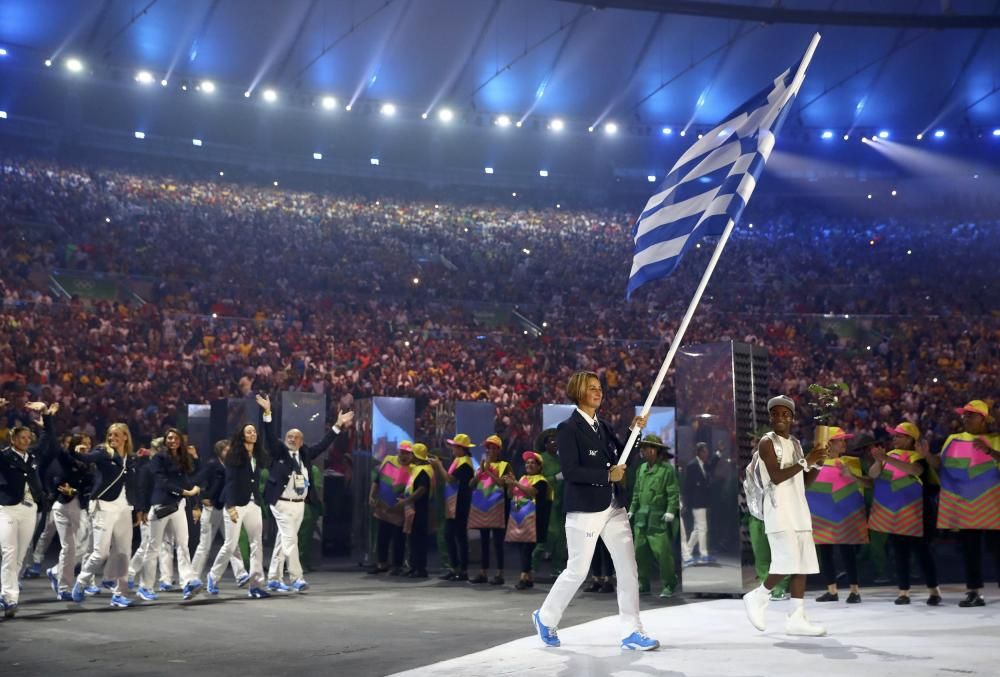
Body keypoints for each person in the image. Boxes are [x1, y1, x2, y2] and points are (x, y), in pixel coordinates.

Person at [532, 370, 658, 651]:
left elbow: (622, 455)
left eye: (599, 387)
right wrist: (606, 476)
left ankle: (631, 632)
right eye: (591, 388)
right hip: (585, 509)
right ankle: (546, 617)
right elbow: (571, 470)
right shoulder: (568, 428)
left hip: (614, 506)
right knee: (577, 570)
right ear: (578, 391)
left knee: (628, 569)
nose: (598, 392)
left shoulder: (603, 426)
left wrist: (634, 432)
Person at [742, 395, 828, 636]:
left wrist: (818, 463)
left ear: (792, 417)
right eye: (775, 414)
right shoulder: (766, 443)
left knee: (802, 564)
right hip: (778, 510)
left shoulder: (797, 444)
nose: (780, 418)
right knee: (787, 560)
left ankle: (796, 617)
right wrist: (806, 460)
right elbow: (777, 477)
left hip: (799, 509)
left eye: (785, 414)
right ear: (770, 417)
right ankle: (758, 595)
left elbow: (805, 481)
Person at [259, 394, 352, 593]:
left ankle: (274, 578)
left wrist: (337, 425)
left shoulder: (305, 454)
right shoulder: (279, 452)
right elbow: (268, 435)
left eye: (296, 437)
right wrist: (267, 413)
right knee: (291, 540)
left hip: (299, 503)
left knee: (282, 540)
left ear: (301, 441)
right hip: (281, 502)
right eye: (289, 437)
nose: (292, 439)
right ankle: (296, 578)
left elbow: (324, 444)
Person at [933, 399, 1000, 607]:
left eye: (970, 414)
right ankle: (974, 593)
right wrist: (927, 455)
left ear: (983, 418)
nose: (965, 417)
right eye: (964, 414)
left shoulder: (996, 439)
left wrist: (989, 451)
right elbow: (940, 464)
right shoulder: (953, 439)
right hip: (965, 507)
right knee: (970, 552)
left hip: (992, 505)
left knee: (998, 551)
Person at [868, 421, 941, 605]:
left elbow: (914, 470)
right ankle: (903, 592)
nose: (895, 439)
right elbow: (873, 475)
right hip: (895, 512)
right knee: (899, 553)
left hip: (918, 512)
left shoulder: (918, 456)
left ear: (910, 439)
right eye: (894, 436)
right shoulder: (889, 456)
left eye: (899, 436)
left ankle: (934, 591)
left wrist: (886, 459)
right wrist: (878, 461)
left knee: (923, 553)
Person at [71, 422, 142, 609]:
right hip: (103, 505)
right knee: (100, 553)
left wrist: (138, 509)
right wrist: (77, 451)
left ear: (125, 437)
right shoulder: (103, 452)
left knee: (124, 553)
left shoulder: (130, 458)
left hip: (124, 507)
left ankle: (120, 594)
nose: (112, 438)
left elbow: (133, 486)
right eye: (110, 435)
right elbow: (87, 458)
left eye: (117, 435)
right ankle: (82, 580)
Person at [0, 402, 54, 617]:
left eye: (28, 438)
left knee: (20, 556)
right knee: (9, 553)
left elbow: (49, 441)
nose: (26, 440)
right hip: (7, 508)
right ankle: (10, 598)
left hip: (30, 509)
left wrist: (47, 417)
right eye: (21, 437)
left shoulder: (32, 457)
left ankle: (6, 592)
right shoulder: (4, 456)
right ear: (12, 439)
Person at [206, 418, 270, 599]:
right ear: (241, 435)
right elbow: (231, 481)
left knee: (257, 543)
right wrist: (231, 506)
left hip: (253, 503)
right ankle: (213, 576)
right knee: (231, 544)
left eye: (254, 431)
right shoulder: (234, 455)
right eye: (249, 431)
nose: (253, 434)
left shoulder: (258, 455)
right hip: (236, 504)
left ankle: (256, 585)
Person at [137, 428, 203, 602]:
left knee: (183, 544)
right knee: (153, 548)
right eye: (169, 438)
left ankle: (187, 581)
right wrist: (184, 491)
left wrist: (193, 493)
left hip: (178, 505)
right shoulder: (159, 458)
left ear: (180, 440)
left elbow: (194, 477)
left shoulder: (182, 458)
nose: (173, 440)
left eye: (175, 438)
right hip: (162, 505)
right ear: (165, 441)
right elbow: (161, 482)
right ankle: (145, 586)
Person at [806, 426, 870, 603]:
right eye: (840, 440)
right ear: (829, 443)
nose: (844, 443)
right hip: (822, 516)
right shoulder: (814, 465)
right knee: (825, 552)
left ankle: (854, 591)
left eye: (844, 439)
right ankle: (831, 590)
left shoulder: (852, 463)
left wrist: (852, 476)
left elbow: (869, 484)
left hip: (846, 516)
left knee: (847, 552)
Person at [190, 440, 249, 586]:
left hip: (227, 508)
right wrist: (200, 500)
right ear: (219, 452)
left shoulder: (234, 467)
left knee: (232, 543)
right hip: (212, 509)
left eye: (230, 449)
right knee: (205, 545)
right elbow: (196, 481)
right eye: (225, 450)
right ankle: (192, 577)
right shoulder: (212, 466)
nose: (228, 452)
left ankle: (241, 574)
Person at [629, 434, 680, 598]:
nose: (643, 451)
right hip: (641, 518)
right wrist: (631, 509)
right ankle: (643, 584)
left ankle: (669, 584)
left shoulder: (666, 470)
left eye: (646, 448)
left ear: (655, 450)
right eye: (642, 448)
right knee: (639, 553)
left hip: (658, 518)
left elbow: (673, 493)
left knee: (663, 554)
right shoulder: (641, 469)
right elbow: (636, 493)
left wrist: (671, 510)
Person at [45, 431, 93, 600]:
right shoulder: (65, 458)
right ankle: (64, 588)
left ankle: (56, 571)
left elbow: (90, 485)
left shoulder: (89, 462)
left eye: (88, 443)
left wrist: (77, 490)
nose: (86, 446)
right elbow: (58, 481)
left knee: (86, 547)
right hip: (64, 506)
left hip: (81, 507)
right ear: (74, 444)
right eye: (83, 442)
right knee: (69, 547)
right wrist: (48, 420)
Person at [430, 433, 476, 581]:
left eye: (455, 447)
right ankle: (455, 567)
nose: (452, 450)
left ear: (461, 449)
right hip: (453, 504)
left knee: (459, 536)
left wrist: (438, 466)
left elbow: (449, 479)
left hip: (460, 504)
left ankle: (462, 569)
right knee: (450, 535)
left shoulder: (464, 464)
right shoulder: (459, 461)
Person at [469, 434, 514, 585]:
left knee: (498, 542)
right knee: (484, 541)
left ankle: (500, 573)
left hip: (498, 506)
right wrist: (480, 472)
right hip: (483, 506)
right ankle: (483, 572)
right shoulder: (480, 466)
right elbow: (472, 484)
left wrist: (488, 471)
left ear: (499, 450)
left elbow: (504, 483)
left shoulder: (504, 465)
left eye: (493, 448)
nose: (490, 450)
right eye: (488, 448)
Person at [506, 451, 552, 590]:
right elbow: (510, 494)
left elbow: (531, 492)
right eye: (527, 463)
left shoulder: (541, 481)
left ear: (539, 467)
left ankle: (523, 577)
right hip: (520, 518)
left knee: (527, 548)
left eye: (532, 463)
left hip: (534, 520)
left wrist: (514, 482)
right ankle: (529, 577)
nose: (529, 465)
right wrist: (510, 484)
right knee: (523, 548)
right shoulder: (522, 479)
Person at [368, 441, 411, 575]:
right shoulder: (388, 461)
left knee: (399, 538)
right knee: (382, 536)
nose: (404, 456)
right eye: (402, 452)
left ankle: (397, 565)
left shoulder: (413, 468)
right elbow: (377, 480)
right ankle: (382, 563)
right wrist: (371, 495)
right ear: (398, 452)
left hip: (400, 509)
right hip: (383, 506)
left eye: (407, 453)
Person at [531, 428, 567, 577]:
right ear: (545, 444)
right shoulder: (540, 459)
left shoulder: (561, 460)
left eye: (556, 440)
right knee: (548, 535)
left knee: (561, 538)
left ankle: (557, 568)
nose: (554, 443)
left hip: (561, 503)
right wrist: (555, 478)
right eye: (551, 440)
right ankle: (532, 565)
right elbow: (537, 480)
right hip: (547, 502)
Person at [681, 442, 719, 565]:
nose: (707, 453)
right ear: (699, 452)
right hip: (696, 502)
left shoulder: (704, 464)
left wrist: (718, 453)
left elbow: (712, 466)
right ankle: (704, 554)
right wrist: (685, 503)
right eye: (705, 451)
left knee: (698, 528)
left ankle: (688, 550)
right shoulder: (692, 465)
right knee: (702, 527)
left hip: (703, 501)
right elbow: (687, 486)